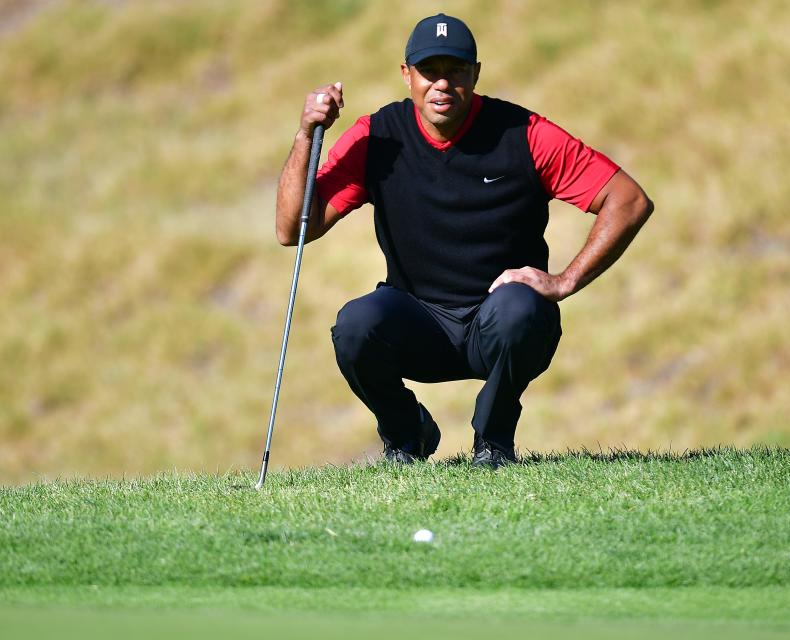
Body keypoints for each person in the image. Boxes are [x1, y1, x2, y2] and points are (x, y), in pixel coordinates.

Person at [275, 13, 653, 469]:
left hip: (500, 322)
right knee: (355, 326)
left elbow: (628, 199)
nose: (442, 84)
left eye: (456, 70)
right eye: (429, 71)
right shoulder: (378, 136)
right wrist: (305, 135)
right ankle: (405, 434)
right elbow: (293, 227)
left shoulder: (523, 134)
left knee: (521, 308)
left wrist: (565, 281)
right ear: (406, 75)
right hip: (419, 321)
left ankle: (493, 443)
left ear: (475, 73)